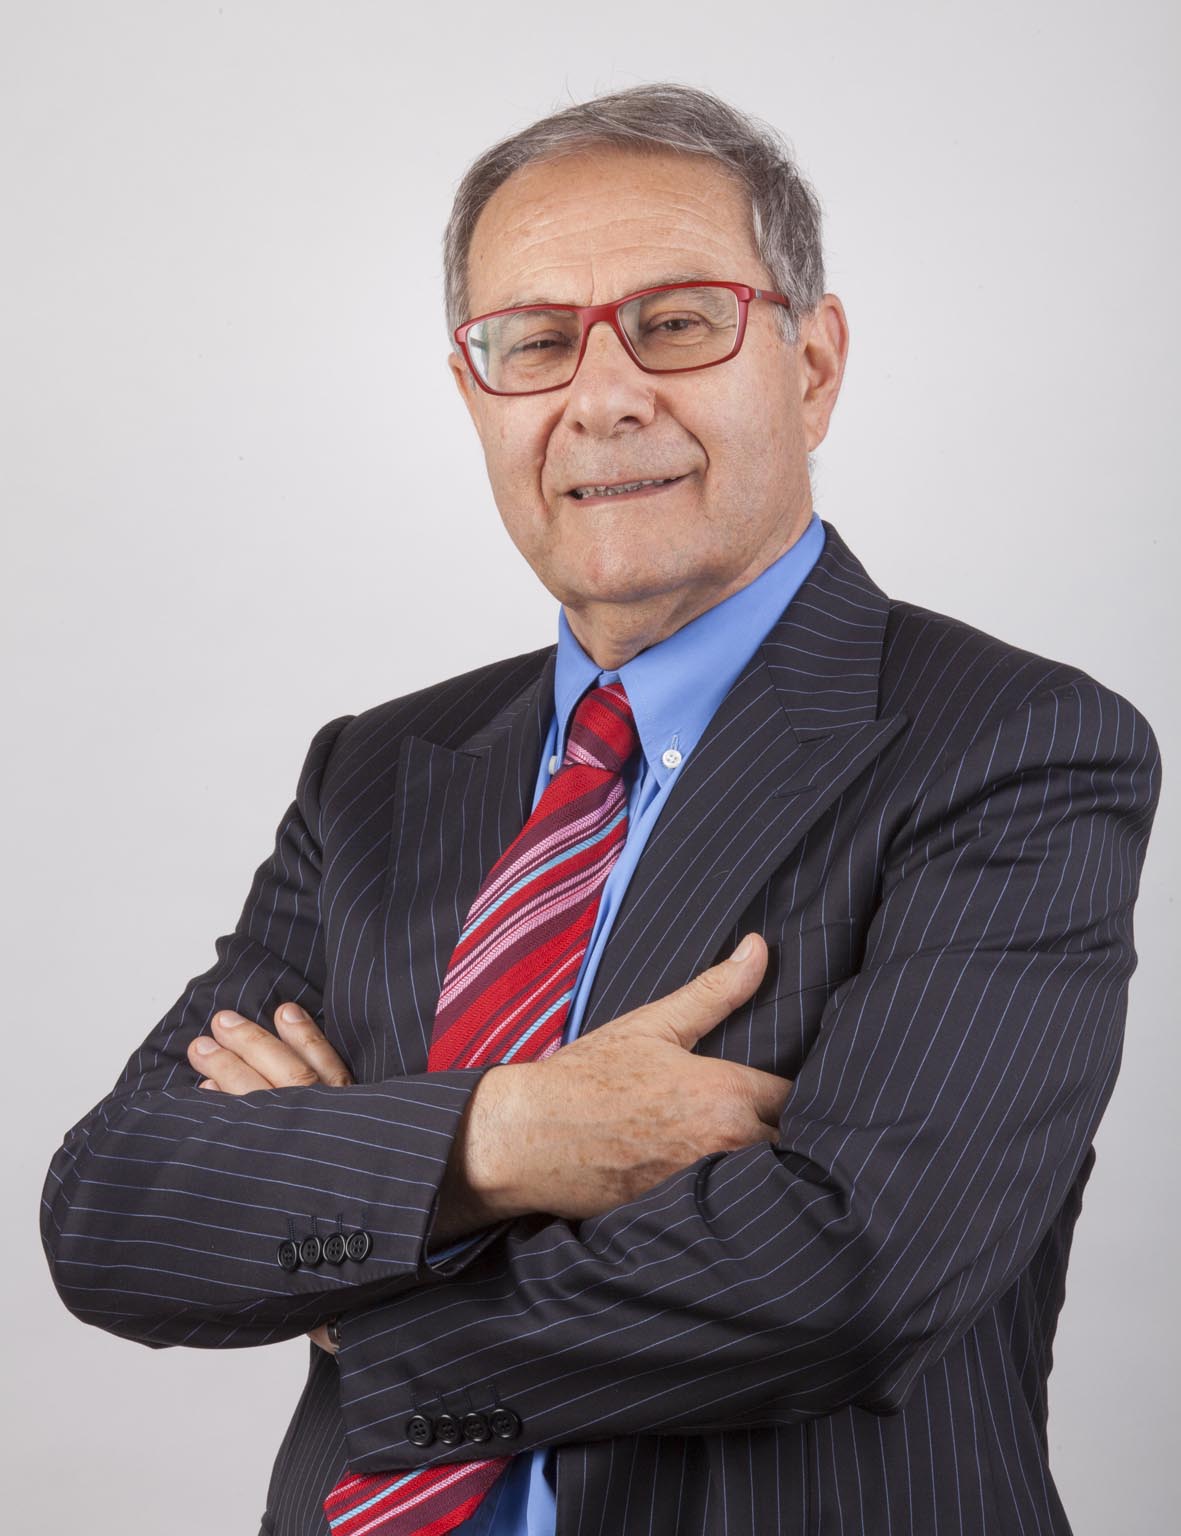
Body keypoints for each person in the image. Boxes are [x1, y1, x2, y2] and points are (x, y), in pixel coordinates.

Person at [40, 83, 1161, 1536]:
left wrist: (362, 1284)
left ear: (813, 364)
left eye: (679, 323)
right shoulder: (376, 771)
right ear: (475, 394)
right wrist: (508, 1135)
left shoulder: (1013, 745)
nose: (605, 395)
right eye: (535, 341)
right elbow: (120, 1212)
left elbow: (847, 1271)